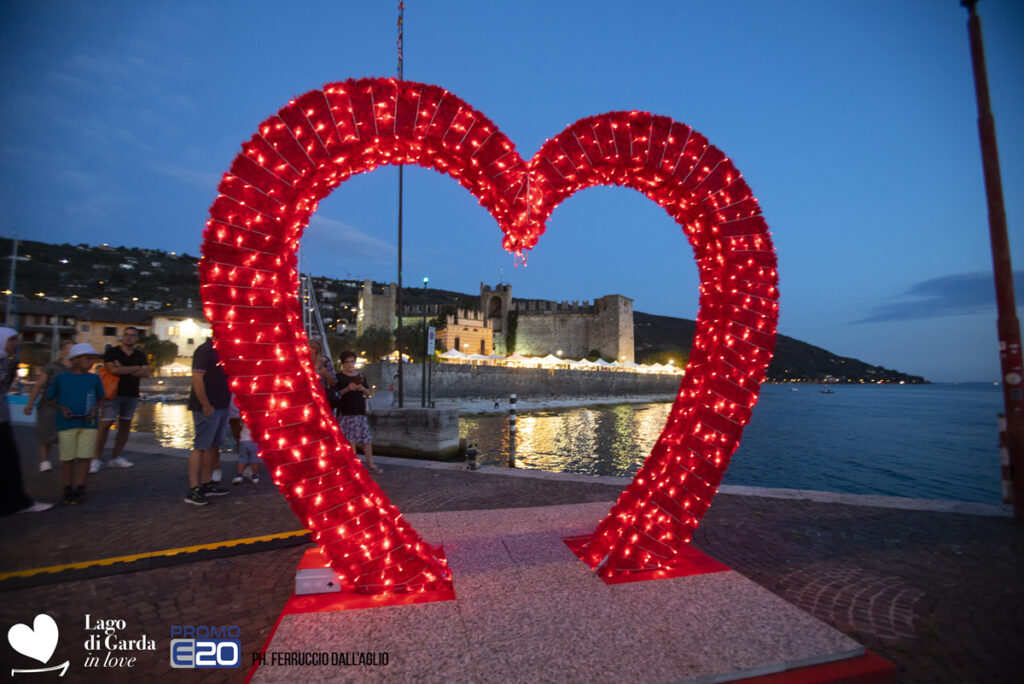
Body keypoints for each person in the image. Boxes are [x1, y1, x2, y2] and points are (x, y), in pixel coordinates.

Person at [0, 327, 52, 514]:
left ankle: (14, 501)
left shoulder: (8, 361)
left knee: (9, 463)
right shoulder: (5, 362)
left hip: (3, 418)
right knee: (9, 463)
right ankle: (18, 503)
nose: (16, 343)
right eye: (12, 340)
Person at [45, 343, 104, 505]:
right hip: (66, 423)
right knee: (67, 458)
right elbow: (49, 399)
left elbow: (101, 398)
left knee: (85, 457)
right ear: (76, 359)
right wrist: (61, 408)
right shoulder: (61, 378)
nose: (91, 362)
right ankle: (67, 489)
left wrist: (95, 409)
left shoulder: (94, 378)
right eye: (88, 358)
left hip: (88, 423)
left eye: (93, 358)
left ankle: (80, 488)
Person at [92, 326, 150, 471]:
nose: (129, 337)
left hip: (131, 394)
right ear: (122, 336)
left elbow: (146, 373)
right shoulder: (112, 352)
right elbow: (113, 370)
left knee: (125, 426)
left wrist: (122, 368)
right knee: (105, 425)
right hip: (113, 393)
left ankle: (115, 457)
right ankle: (95, 459)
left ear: (137, 338)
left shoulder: (140, 355)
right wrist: (136, 368)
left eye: (133, 335)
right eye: (127, 334)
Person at [185, 336, 231, 506]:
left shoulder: (225, 352)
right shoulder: (205, 350)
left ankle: (206, 482)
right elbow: (197, 378)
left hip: (222, 405)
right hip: (207, 407)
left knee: (213, 446)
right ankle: (193, 488)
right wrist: (205, 404)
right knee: (200, 446)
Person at [23, 339, 73, 471]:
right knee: (46, 434)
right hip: (49, 404)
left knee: (66, 435)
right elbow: (39, 385)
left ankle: (66, 460)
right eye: (68, 349)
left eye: (73, 350)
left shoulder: (76, 369)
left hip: (68, 405)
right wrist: (30, 404)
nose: (70, 352)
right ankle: (44, 461)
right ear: (62, 351)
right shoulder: (51, 366)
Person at [334, 350, 381, 474]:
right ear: (343, 363)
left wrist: (363, 388)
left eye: (352, 362)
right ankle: (352, 466)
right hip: (346, 413)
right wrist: (347, 389)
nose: (350, 364)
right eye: (347, 362)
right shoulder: (339, 377)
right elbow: (335, 394)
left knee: (366, 439)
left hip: (360, 412)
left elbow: (369, 392)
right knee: (350, 441)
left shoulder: (361, 376)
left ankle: (371, 465)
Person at [230, 403, 261, 485]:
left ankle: (239, 475)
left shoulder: (244, 418)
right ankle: (255, 476)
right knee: (255, 460)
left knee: (242, 459)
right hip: (254, 442)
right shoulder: (258, 419)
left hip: (243, 441)